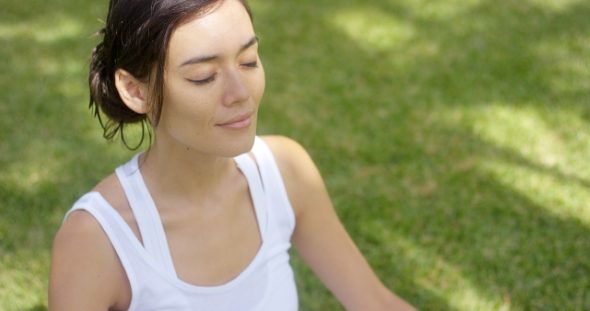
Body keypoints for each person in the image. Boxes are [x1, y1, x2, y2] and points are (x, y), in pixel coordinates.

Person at [48, 0, 417, 310]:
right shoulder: (97, 238)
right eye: (204, 76)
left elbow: (373, 302)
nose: (240, 92)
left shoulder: (284, 173)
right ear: (134, 89)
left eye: (249, 61)